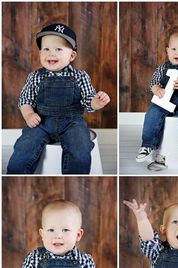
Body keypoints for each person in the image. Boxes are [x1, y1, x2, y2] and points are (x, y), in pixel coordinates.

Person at [7, 23, 110, 174]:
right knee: (24, 147)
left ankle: (75, 175)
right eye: (46, 49)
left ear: (72, 56)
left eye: (58, 49)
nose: (51, 54)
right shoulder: (35, 76)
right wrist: (28, 114)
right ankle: (15, 174)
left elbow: (88, 101)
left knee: (80, 149)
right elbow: (25, 100)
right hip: (41, 123)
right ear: (40, 52)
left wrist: (96, 102)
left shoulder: (80, 76)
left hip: (72, 123)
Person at [136, 31, 178, 166]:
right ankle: (147, 145)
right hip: (165, 100)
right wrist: (157, 89)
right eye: (173, 49)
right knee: (152, 113)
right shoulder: (162, 68)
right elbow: (153, 83)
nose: (177, 53)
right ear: (167, 51)